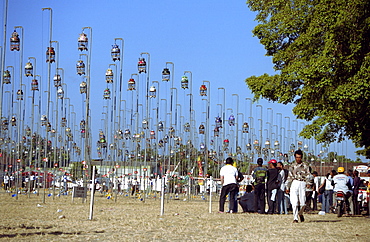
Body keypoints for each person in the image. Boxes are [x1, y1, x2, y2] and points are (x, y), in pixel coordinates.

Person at [286, 150, 311, 223]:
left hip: (302, 183)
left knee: (303, 203)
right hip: (294, 182)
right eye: (297, 157)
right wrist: (288, 187)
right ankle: (295, 218)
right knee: (294, 202)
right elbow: (289, 177)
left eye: (299, 157)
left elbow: (308, 175)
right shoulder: (292, 166)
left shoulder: (305, 166)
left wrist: (308, 182)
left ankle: (300, 213)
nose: (298, 159)